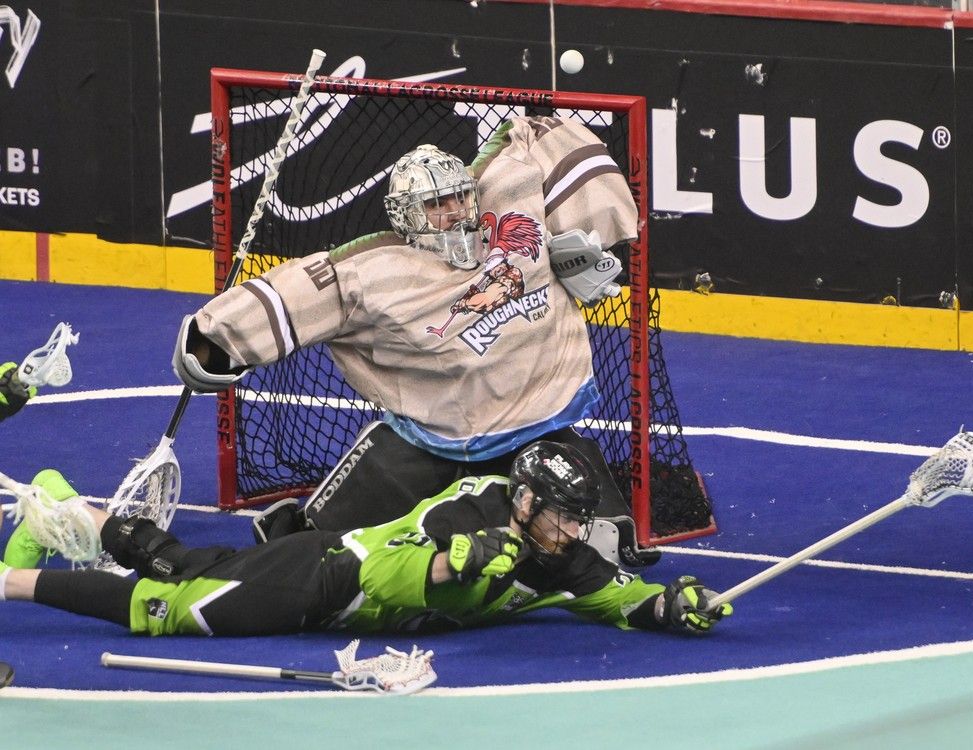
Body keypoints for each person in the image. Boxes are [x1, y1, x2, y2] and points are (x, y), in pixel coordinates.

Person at [172, 115, 662, 567]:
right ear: (405, 214)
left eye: (459, 197)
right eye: (435, 205)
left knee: (609, 550)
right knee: (313, 552)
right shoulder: (375, 273)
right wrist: (219, 336)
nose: (454, 213)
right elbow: (297, 293)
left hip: (540, 426)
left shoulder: (508, 212)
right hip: (434, 441)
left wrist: (575, 191)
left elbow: (532, 139)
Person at [0, 441, 732, 637]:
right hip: (326, 583)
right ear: (528, 499)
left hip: (325, 578)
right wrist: (458, 564)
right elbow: (385, 576)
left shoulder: (556, 550)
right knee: (166, 606)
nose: (574, 532)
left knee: (190, 561)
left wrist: (668, 607)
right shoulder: (472, 513)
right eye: (563, 515)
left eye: (579, 519)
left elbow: (614, 596)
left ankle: (62, 508)